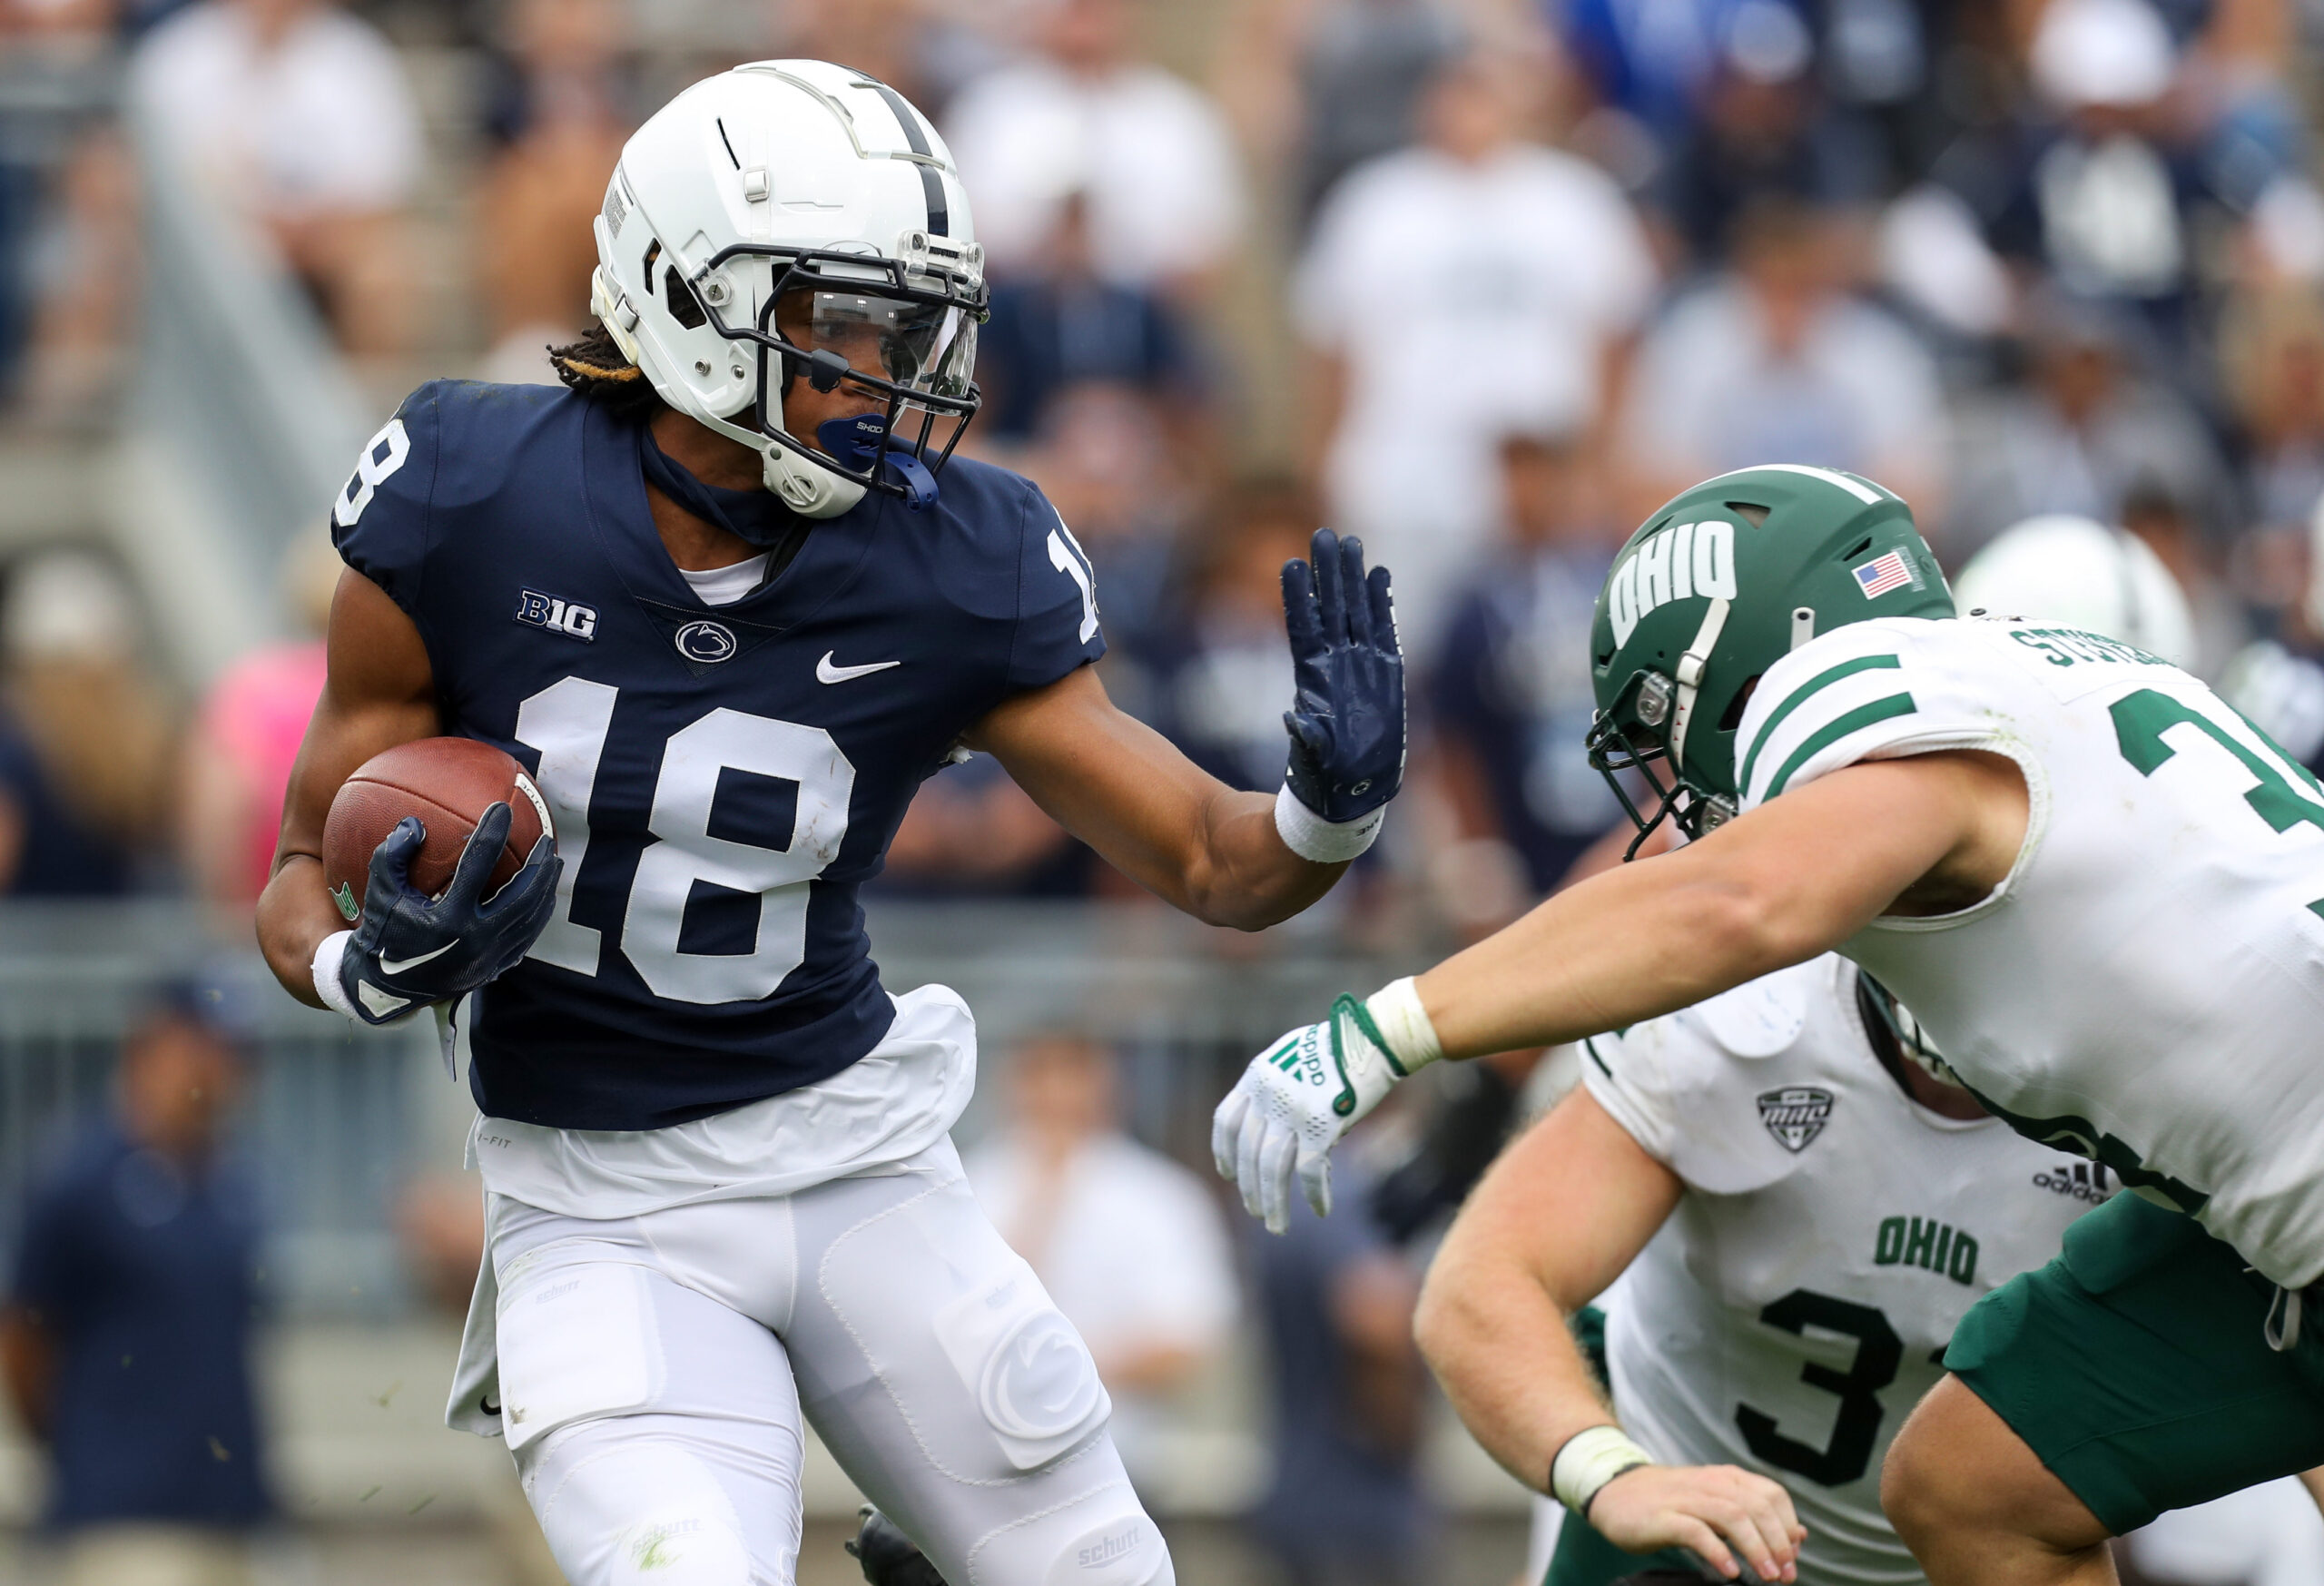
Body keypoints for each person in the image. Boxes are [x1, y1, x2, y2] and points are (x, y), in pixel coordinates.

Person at [251, 61, 1404, 1586]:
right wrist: (360, 966)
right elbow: (294, 873)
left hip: (856, 1154)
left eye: (912, 328)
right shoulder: (472, 493)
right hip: (597, 1200)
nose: (896, 370)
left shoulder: (955, 557)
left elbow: (1211, 858)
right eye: (848, 324)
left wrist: (1326, 808)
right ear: (683, 293)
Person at [1211, 460, 2324, 1585]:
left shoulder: (1880, 710)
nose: (1692, 793)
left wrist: (1391, 1028)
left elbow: (1730, 899)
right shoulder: (2086, 703)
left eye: (1669, 719)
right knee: (1970, 1481)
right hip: (2269, 1210)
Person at [1419, 955, 2112, 1586]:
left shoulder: (2152, 1078)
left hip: (1952, 1565)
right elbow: (1482, 1280)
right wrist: (1613, 1475)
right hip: (1680, 1520)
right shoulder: (1743, 1015)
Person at [1295, 47, 1657, 653]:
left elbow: (1619, 336)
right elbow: (1332, 351)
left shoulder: (1575, 199)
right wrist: (1322, 462)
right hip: (1402, 470)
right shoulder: (1373, 203)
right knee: (1397, 650)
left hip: (1537, 477)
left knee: (1539, 653)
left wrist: (1600, 460)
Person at [1, 980, 270, 1586]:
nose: (224, 1069)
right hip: (123, 1522)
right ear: (153, 1044)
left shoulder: (233, 1183)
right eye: (208, 1046)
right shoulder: (81, 1177)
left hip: (231, 1516)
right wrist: (86, 1446)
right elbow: (24, 1340)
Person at [963, 1034, 1237, 1483]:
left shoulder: (1159, 1196)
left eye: (1073, 1078)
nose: (1057, 1097)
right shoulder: (973, 1185)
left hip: (1120, 1464)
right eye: (1041, 1079)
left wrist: (1051, 1373)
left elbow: (1188, 1340)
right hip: (981, 1470)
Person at [126, 0, 424, 355]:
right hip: (192, 253)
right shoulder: (174, 54)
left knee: (382, 274)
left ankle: (371, 408)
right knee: (111, 260)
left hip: (313, 254)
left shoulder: (359, 59)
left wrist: (297, 236)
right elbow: (135, 180)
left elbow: (381, 198)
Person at [1250, 1146, 1432, 1586]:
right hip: (1357, 1515)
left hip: (1303, 1496)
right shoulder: (1340, 1189)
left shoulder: (1284, 1188)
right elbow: (1374, 1319)